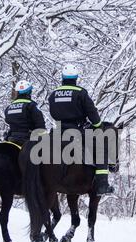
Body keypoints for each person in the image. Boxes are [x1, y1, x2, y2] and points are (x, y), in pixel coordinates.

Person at [48, 64, 114, 196]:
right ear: (76, 78)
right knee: (101, 149)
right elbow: (92, 112)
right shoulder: (81, 93)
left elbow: (52, 112)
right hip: (77, 131)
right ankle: (102, 185)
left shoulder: (53, 94)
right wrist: (97, 125)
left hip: (58, 132)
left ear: (62, 78)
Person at [4, 80, 46, 147]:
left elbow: (8, 121)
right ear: (29, 92)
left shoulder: (9, 107)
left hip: (11, 139)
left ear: (17, 92)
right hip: (28, 141)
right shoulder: (32, 106)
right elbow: (40, 126)